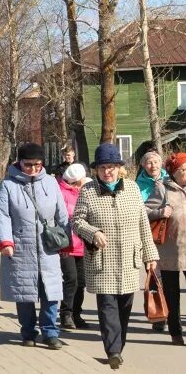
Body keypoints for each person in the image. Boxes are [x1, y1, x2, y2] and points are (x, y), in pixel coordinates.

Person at [73, 143, 159, 369]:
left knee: (124, 309)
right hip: (103, 263)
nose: (107, 171)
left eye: (111, 167)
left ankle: (117, 348)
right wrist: (94, 232)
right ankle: (112, 351)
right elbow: (77, 222)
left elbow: (143, 224)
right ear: (96, 170)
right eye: (102, 168)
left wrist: (150, 256)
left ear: (119, 168)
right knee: (107, 308)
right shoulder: (88, 191)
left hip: (129, 261)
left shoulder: (131, 189)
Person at [0, 142, 68, 350]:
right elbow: (2, 215)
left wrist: (66, 240)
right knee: (24, 292)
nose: (33, 169)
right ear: (19, 163)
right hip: (20, 246)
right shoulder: (8, 185)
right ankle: (27, 331)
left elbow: (61, 213)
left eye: (37, 164)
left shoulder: (51, 183)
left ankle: (50, 332)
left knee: (50, 291)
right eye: (28, 165)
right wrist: (5, 241)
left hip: (48, 246)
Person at [145, 153, 186, 346]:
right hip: (169, 250)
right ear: (174, 172)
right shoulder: (162, 188)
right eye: (183, 170)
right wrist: (160, 212)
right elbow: (144, 211)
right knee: (172, 294)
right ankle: (175, 332)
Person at [135, 150, 169, 332]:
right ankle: (158, 315)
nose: (153, 166)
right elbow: (139, 212)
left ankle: (175, 313)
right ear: (143, 165)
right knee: (156, 275)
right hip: (151, 236)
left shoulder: (170, 180)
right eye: (149, 162)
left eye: (156, 162)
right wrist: (159, 213)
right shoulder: (137, 186)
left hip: (173, 235)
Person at [57, 163, 90, 329]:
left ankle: (77, 313)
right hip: (67, 244)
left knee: (82, 281)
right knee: (71, 279)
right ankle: (66, 313)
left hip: (83, 243)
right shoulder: (61, 192)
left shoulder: (86, 191)